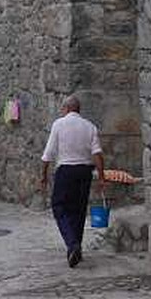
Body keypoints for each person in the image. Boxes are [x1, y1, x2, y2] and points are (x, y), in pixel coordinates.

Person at [40, 93, 105, 268]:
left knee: (59, 207)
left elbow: (48, 154)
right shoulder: (89, 126)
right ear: (78, 109)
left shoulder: (59, 125)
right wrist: (101, 177)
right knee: (79, 210)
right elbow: (97, 154)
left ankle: (72, 244)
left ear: (66, 109)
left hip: (66, 171)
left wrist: (43, 175)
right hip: (85, 171)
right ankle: (76, 250)